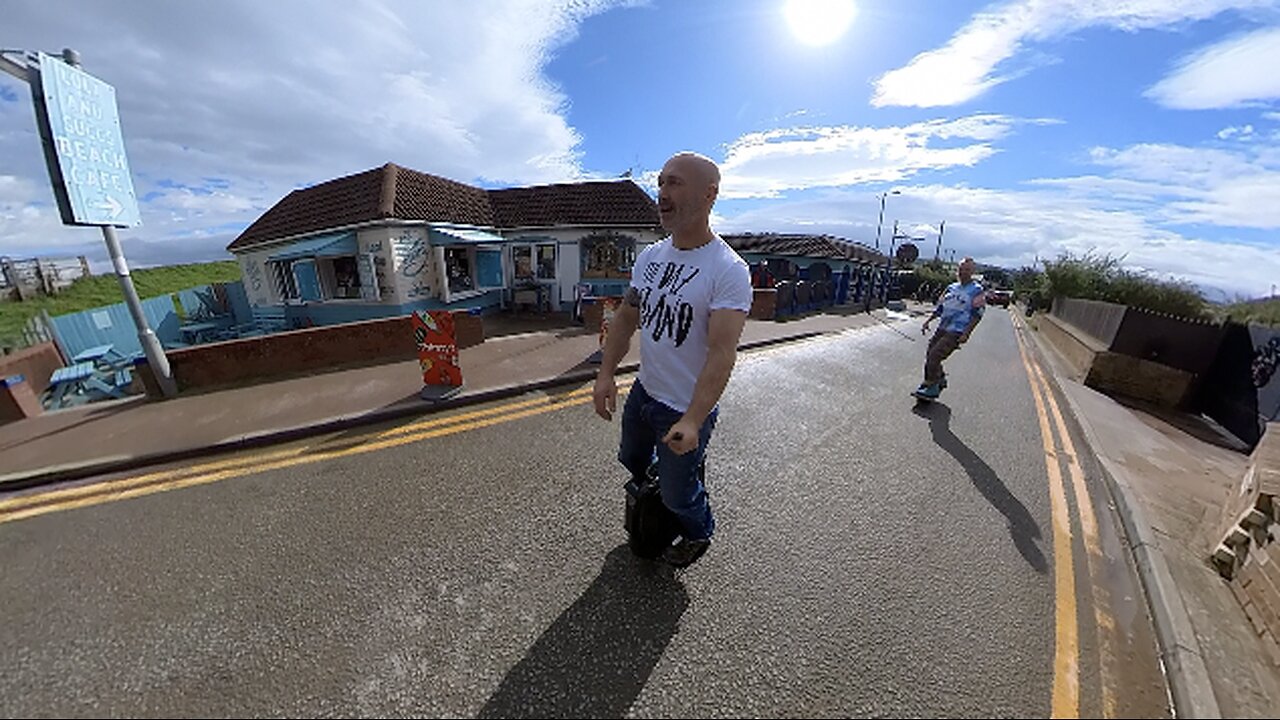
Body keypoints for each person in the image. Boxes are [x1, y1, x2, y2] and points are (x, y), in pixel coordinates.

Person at [593, 151, 753, 568]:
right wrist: (605, 374)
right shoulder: (650, 258)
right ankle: (671, 480)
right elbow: (627, 317)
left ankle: (700, 531)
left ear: (709, 195)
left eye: (675, 183)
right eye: (661, 183)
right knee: (630, 459)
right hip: (645, 391)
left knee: (679, 495)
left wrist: (693, 420)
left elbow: (722, 353)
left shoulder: (727, 270)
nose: (661, 193)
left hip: (684, 406)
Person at [917, 257, 986, 399]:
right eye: (961, 268)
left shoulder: (977, 290)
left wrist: (967, 333)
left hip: (957, 331)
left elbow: (977, 315)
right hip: (943, 327)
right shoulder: (951, 287)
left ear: (973, 271)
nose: (963, 272)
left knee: (935, 355)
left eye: (967, 269)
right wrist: (928, 320)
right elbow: (941, 307)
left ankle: (931, 386)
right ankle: (939, 378)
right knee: (930, 352)